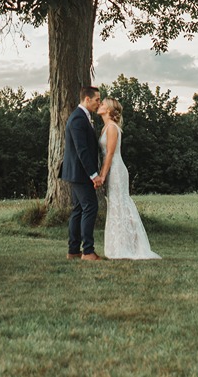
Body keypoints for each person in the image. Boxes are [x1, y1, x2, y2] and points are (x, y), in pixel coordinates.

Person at [98, 97, 161, 260]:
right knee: (115, 205)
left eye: (103, 104)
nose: (100, 105)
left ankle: (130, 246)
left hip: (117, 170)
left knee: (121, 204)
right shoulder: (105, 127)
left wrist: (103, 175)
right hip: (112, 169)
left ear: (109, 110)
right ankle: (119, 245)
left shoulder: (112, 127)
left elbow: (110, 153)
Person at [61, 86, 104, 260]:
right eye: (97, 100)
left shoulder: (82, 117)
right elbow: (82, 151)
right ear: (87, 99)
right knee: (90, 207)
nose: (98, 103)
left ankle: (73, 251)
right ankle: (87, 251)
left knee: (79, 209)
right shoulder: (78, 118)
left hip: (77, 173)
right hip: (80, 174)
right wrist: (94, 175)